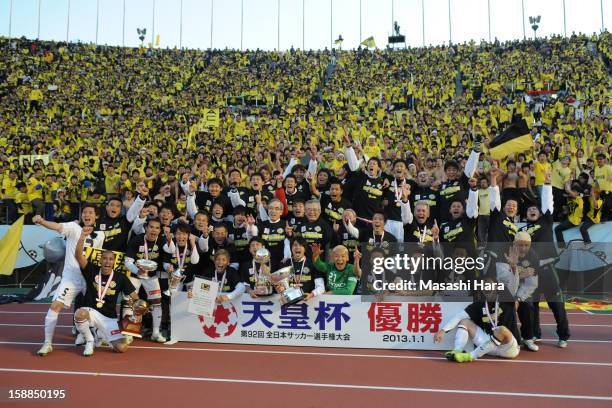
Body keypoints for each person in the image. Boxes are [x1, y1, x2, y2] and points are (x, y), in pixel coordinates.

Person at [34, 205, 105, 356]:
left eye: (90, 212)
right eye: (84, 212)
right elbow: (57, 226)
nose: (87, 214)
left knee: (95, 309)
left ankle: (90, 338)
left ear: (96, 216)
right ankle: (47, 343)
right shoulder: (73, 227)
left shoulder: (100, 235)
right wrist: (42, 221)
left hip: (89, 278)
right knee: (55, 305)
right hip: (71, 277)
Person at [73, 226, 139, 356]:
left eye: (110, 259)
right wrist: (82, 238)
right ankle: (90, 340)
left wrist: (140, 308)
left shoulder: (121, 277)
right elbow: (78, 255)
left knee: (122, 347)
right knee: (79, 314)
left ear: (114, 262)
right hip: (90, 311)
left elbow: (134, 296)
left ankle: (99, 333)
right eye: (104, 258)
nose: (107, 261)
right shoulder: (91, 269)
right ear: (100, 260)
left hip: (109, 318)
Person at [434, 276, 520, 363]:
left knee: (502, 329)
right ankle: (457, 351)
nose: (486, 287)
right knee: (464, 321)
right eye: (484, 286)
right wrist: (443, 331)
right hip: (488, 345)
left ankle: (470, 356)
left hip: (508, 347)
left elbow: (507, 292)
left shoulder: (507, 301)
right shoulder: (479, 304)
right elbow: (460, 316)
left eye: (489, 285)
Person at [124, 217, 170, 343]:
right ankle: (128, 332)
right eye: (151, 227)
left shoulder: (162, 241)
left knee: (157, 302)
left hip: (152, 277)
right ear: (146, 228)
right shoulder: (136, 240)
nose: (154, 230)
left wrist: (169, 267)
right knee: (129, 302)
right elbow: (127, 261)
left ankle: (155, 332)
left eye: (157, 228)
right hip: (135, 276)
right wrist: (136, 270)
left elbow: (168, 257)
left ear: (160, 230)